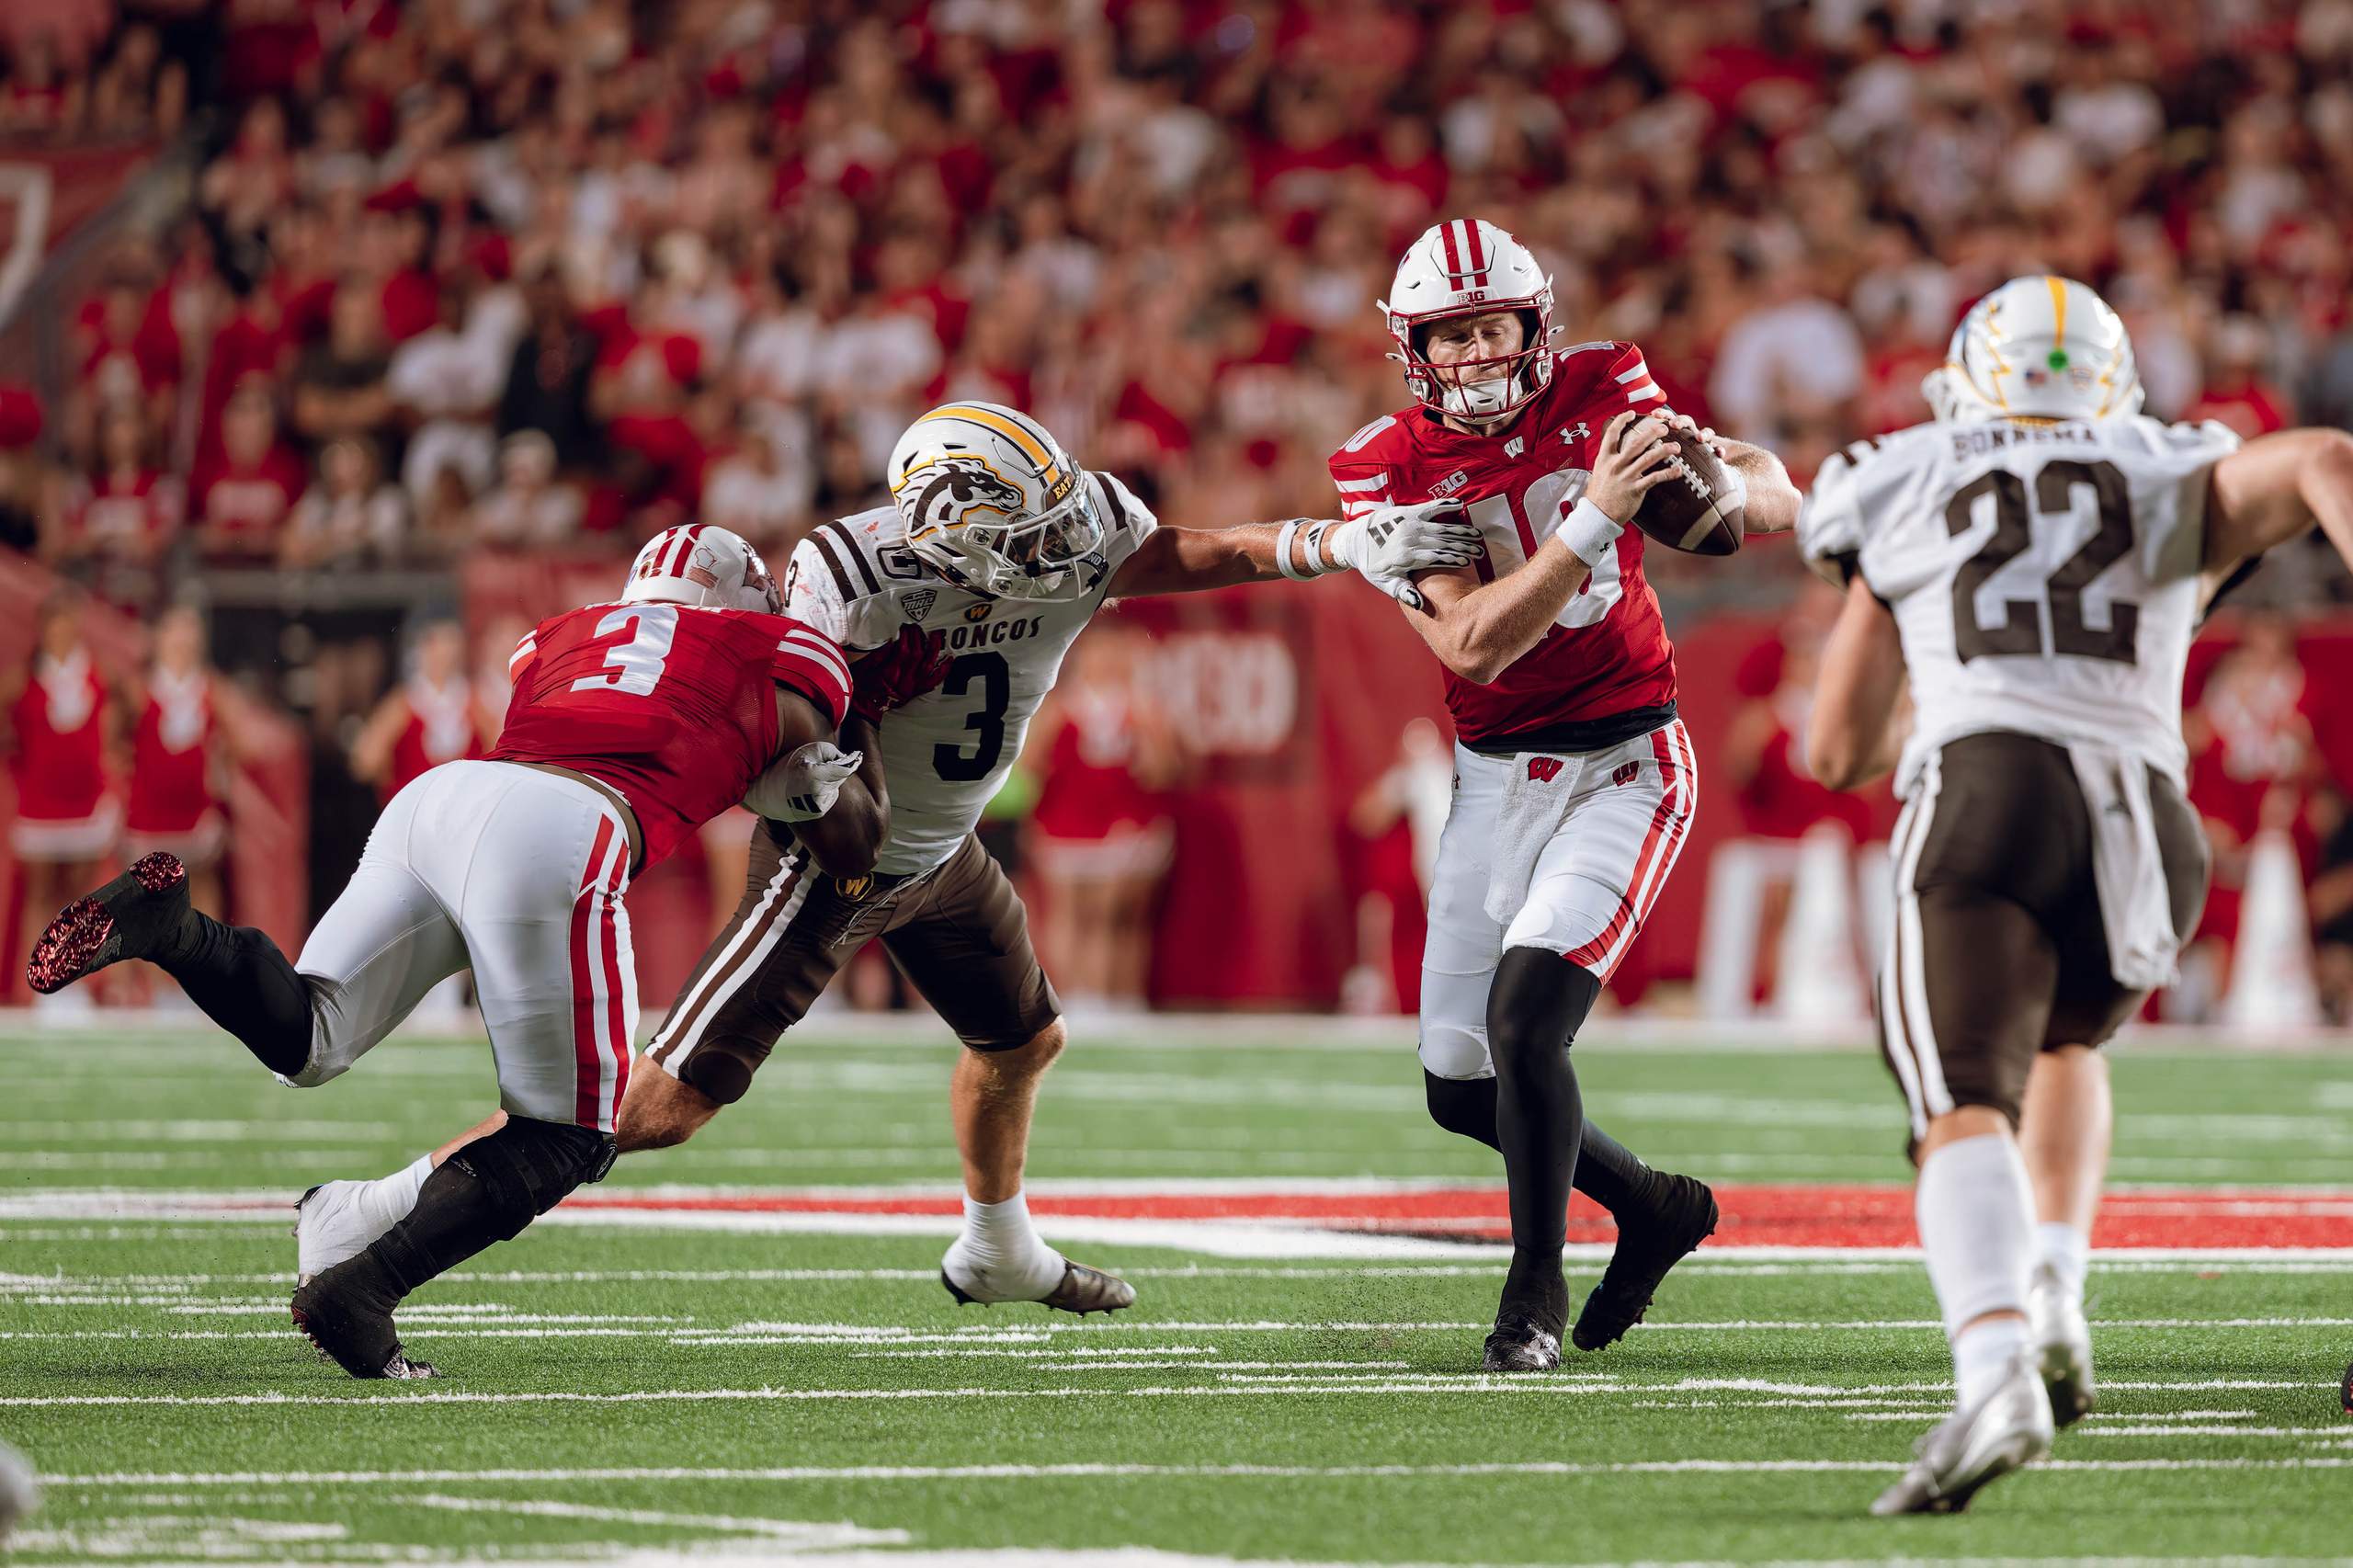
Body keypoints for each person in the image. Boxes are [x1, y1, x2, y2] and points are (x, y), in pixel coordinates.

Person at [609, 398, 1478, 1317]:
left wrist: (1336, 543)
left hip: (944, 848)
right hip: (838, 855)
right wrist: (838, 720)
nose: (1065, 548)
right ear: (951, 534)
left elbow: (1187, 551)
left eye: (1059, 515)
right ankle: (463, 1180)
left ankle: (998, 1247)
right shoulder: (853, 573)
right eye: (1031, 532)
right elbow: (782, 735)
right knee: (664, 1105)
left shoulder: (1079, 525)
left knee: (1021, 1040)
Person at [26, 525, 863, 1381]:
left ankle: (179, 932)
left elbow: (626, 708)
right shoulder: (777, 652)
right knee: (573, 1133)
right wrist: (811, 787)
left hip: (444, 799)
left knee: (311, 1036)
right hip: (561, 829)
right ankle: (359, 1292)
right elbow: (852, 838)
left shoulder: (569, 634)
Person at [1800, 274, 2353, 1514]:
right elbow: (2324, 453)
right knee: (2064, 1036)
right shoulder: (2165, 462)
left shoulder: (1904, 469)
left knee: (1958, 1104)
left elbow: (1835, 752)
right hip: (2150, 820)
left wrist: (1923, 641)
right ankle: (2051, 1288)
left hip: (1988, 789)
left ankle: (1994, 1366)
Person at [1327, 218, 1803, 1371]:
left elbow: (1766, 493)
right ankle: (1653, 1204)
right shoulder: (1381, 464)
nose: (1478, 355)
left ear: (1535, 329)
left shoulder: (1605, 385)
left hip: (1626, 759)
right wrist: (1595, 516)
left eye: (1493, 327)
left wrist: (1729, 478)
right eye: (1453, 336)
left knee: (1526, 1021)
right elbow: (1475, 648)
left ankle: (1531, 1293)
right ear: (1413, 349)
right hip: (1493, 775)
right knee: (1456, 1087)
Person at [5, 592, 121, 1004]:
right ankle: (34, 989)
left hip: (86, 806)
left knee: (77, 899)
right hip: (40, 807)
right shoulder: (23, 678)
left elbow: (116, 722)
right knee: (40, 896)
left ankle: (72, 984)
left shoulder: (98, 674)